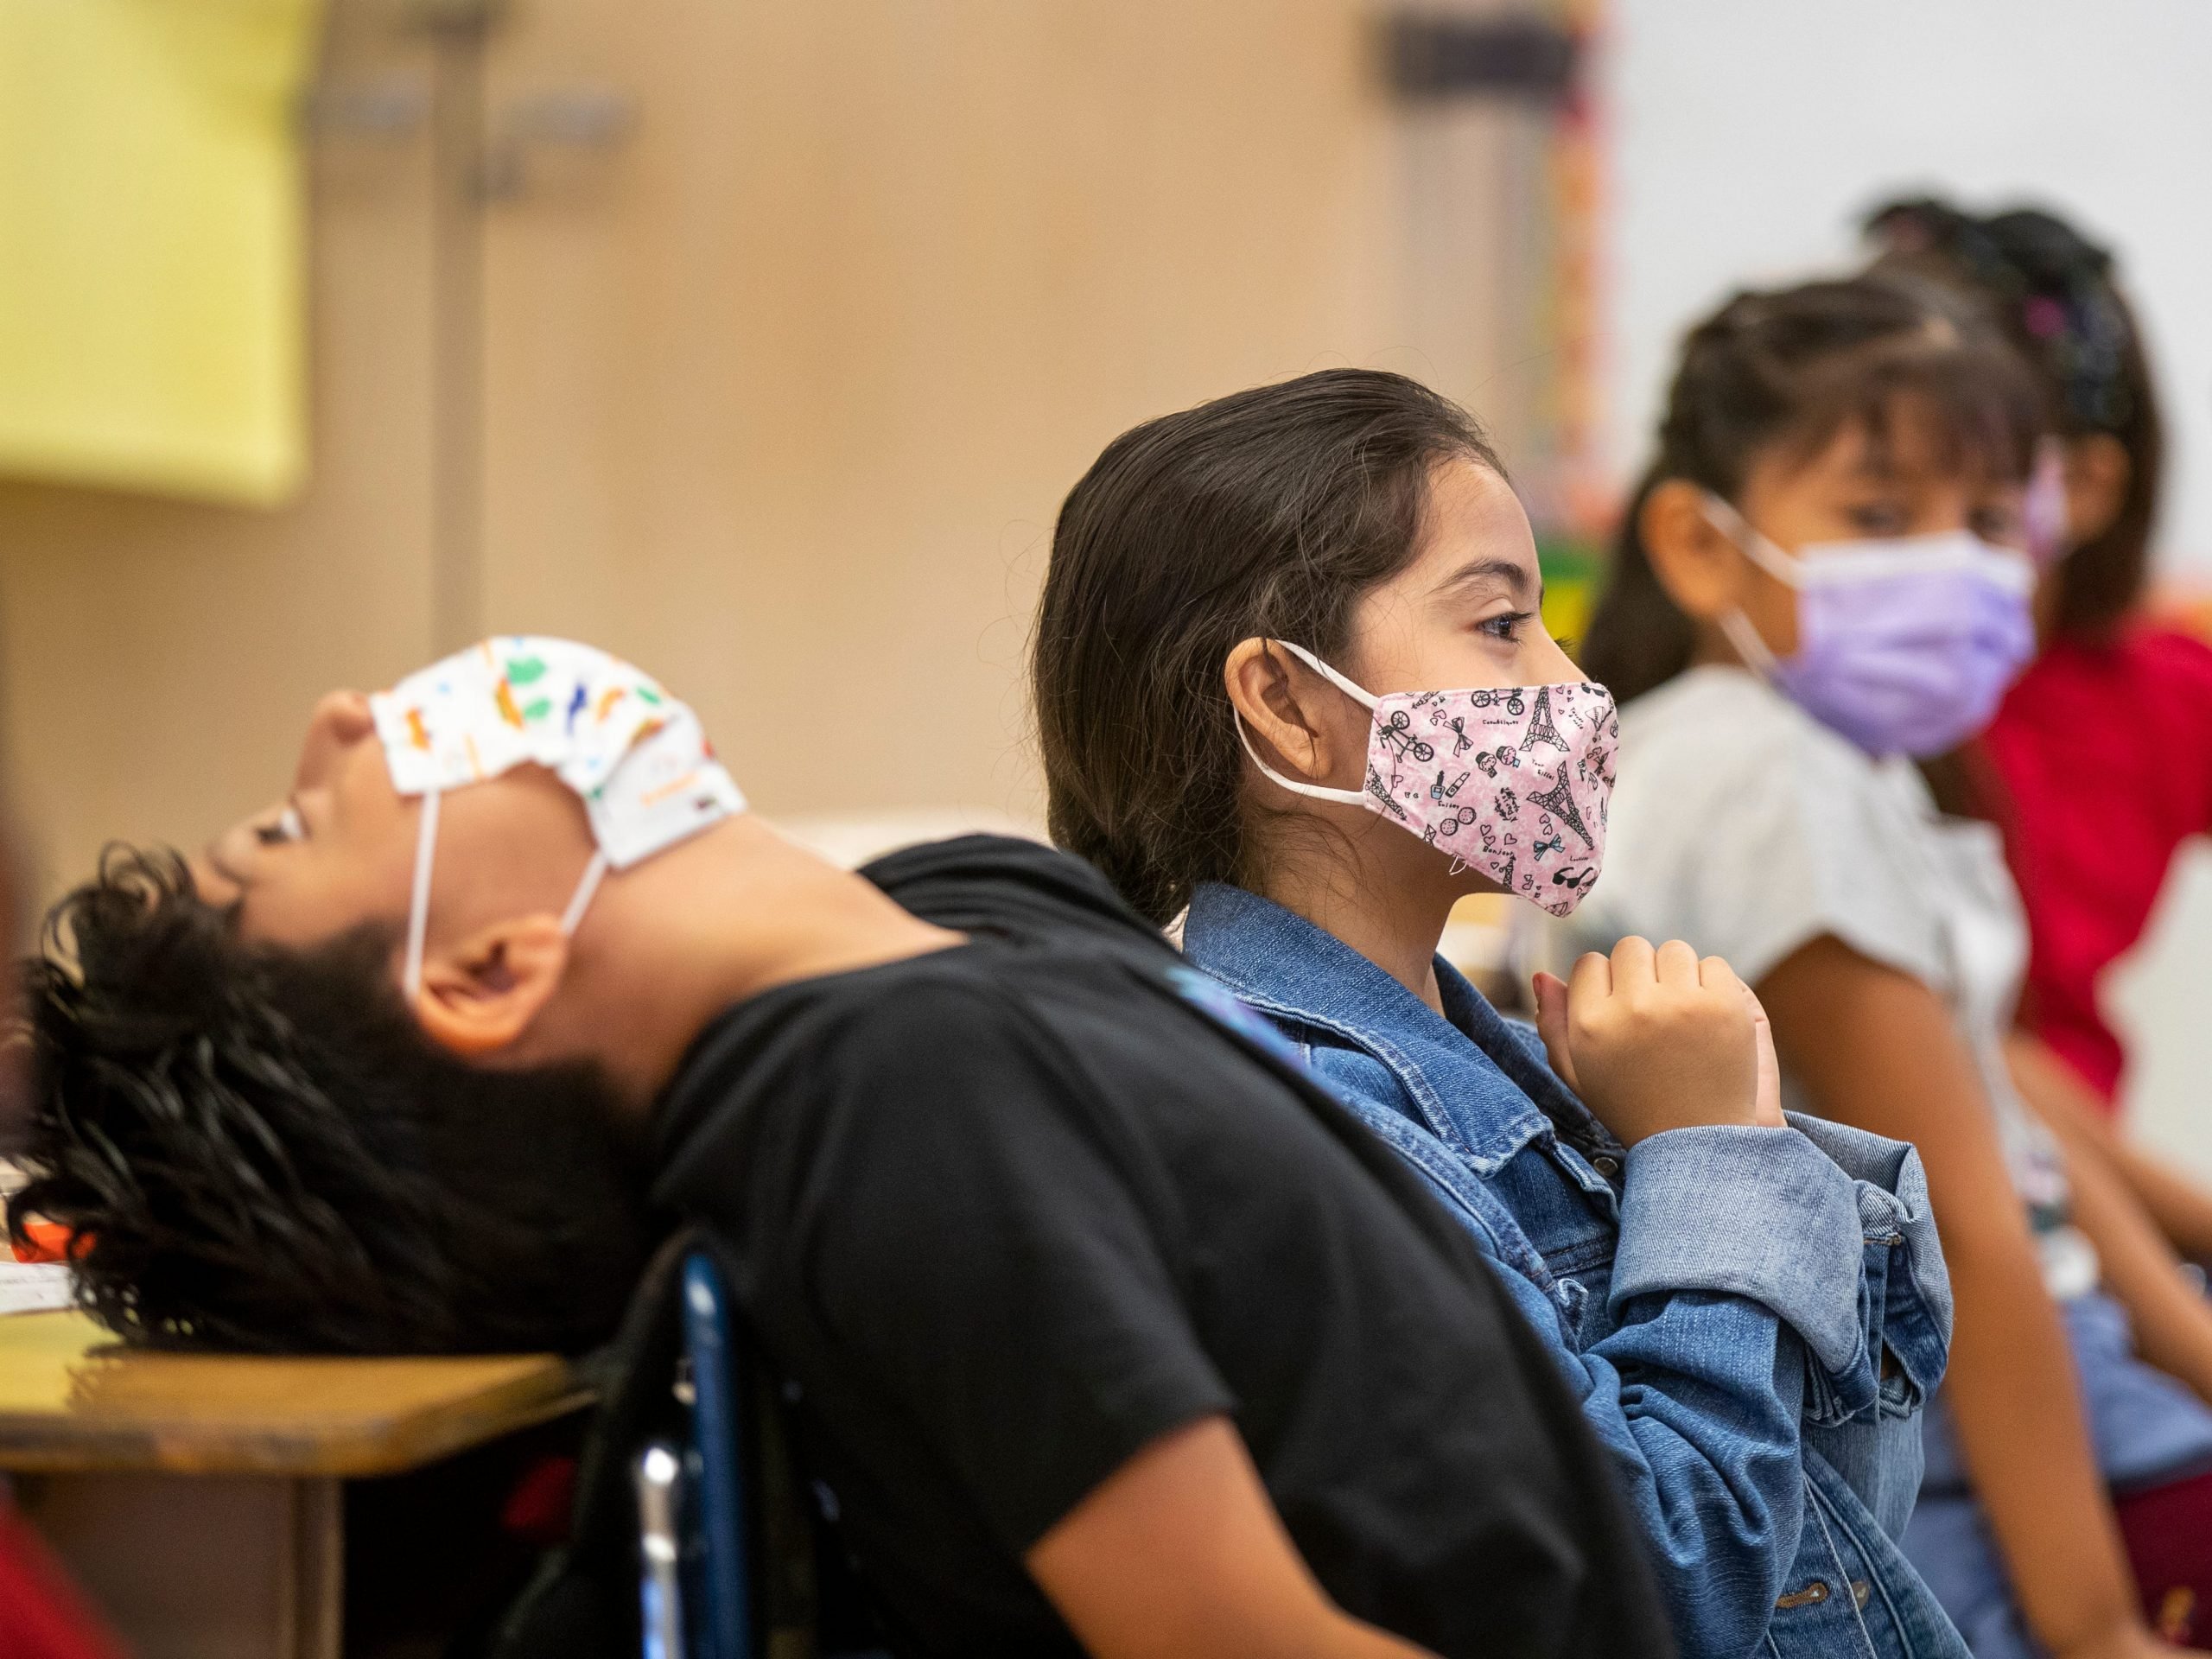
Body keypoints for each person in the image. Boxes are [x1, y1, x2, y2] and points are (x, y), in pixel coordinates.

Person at [8, 637, 1675, 1659]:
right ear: (486, 970)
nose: (345, 719)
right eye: (301, 829)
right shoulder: (884, 1111)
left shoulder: (950, 928)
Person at [1033, 366, 1962, 1659]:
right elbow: (1669, 1589)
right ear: (1291, 708)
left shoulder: (1519, 1075)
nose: (1571, 689)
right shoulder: (1313, 1124)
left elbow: (1826, 1536)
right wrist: (1711, 1162)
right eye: (1500, 627)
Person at [1570, 271, 2212, 1656]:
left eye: (1989, 521)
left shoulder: (1801, 758)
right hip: (1962, 1454)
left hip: (2006, 1405)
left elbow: (2002, 1115)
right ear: (1697, 543)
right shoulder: (1771, 788)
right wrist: (2096, 1629)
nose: (1954, 566)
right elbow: (1972, 1238)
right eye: (1876, 518)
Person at [1863, 196, 2212, 1265]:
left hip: (2090, 1225)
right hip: (1959, 1226)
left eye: (1964, 481)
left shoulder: (2161, 689)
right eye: (1871, 496)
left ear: (2092, 485)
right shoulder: (1851, 697)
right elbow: (1975, 1065)